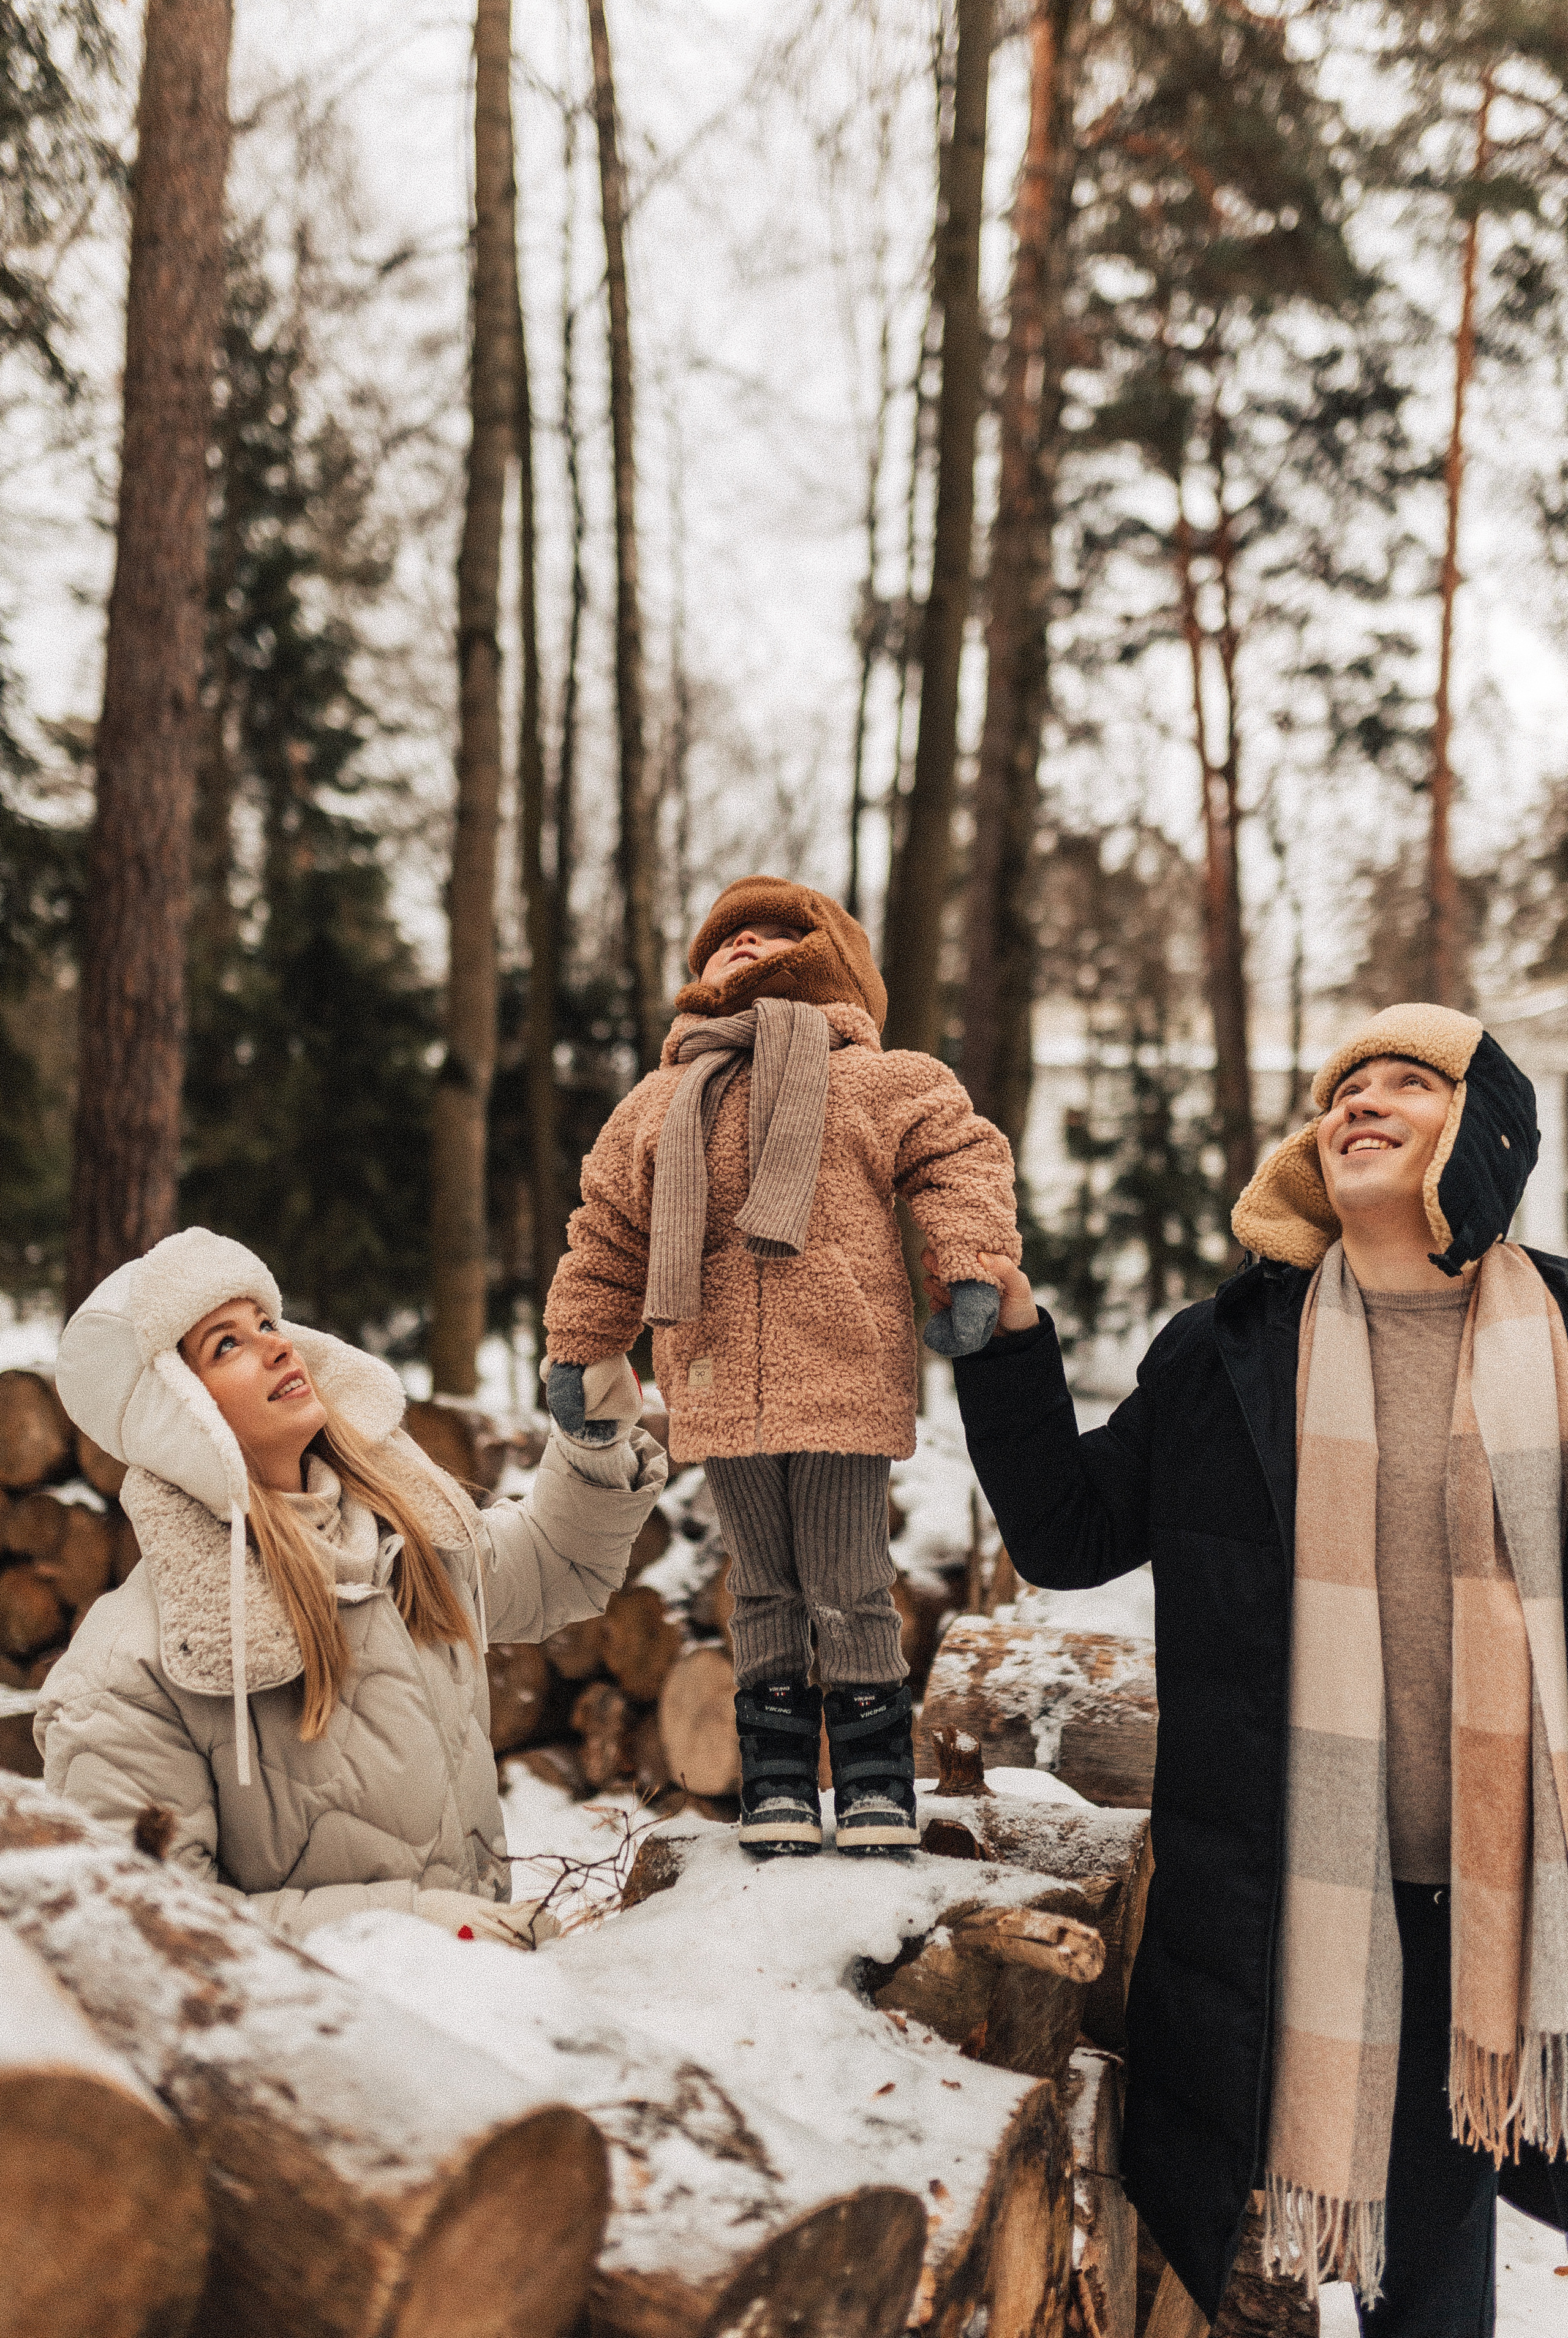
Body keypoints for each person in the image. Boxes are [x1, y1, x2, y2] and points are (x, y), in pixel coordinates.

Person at [930, 1003, 1568, 2335]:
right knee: (1412, 2284)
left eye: (1406, 1080)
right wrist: (1006, 1339)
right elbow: (1065, 1534)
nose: (1359, 1103)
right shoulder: (1224, 1355)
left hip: (1526, 1895)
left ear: (1481, 1131)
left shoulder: (1563, 1331)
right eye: (1340, 1086)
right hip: (1316, 1905)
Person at [542, 874, 1020, 1856]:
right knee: (758, 1584)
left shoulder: (881, 1077)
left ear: (830, 963)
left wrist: (969, 1265)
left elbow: (960, 1157)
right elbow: (607, 1232)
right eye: (726, 939)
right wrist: (583, 1347)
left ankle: (877, 1780)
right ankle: (776, 1787)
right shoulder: (661, 1100)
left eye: (772, 934)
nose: (744, 947)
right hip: (713, 1373)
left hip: (840, 1363)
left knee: (847, 1577)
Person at [36, 1226, 666, 1944]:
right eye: (227, 1344)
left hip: (494, 2014)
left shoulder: (405, 1542)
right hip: (328, 2042)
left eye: (267, 1323)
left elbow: (559, 1565)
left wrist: (589, 1442)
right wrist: (411, 1928)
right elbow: (148, 1935)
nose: (278, 1345)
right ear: (179, 1415)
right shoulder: (130, 1671)